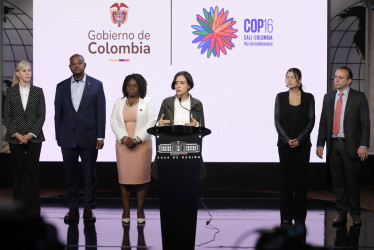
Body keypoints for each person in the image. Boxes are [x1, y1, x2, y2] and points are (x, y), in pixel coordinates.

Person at [55, 54, 106, 223]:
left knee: (89, 174)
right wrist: (58, 136)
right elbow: (58, 114)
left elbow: (101, 112)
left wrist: (100, 136)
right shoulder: (61, 86)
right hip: (67, 138)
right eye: (73, 64)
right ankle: (72, 209)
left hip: (90, 137)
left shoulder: (97, 85)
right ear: (69, 67)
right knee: (70, 175)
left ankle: (89, 209)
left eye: (79, 63)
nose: (76, 66)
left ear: (85, 65)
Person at [316, 66, 370, 226]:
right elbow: (323, 122)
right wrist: (320, 144)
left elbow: (365, 123)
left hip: (351, 146)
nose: (336, 80)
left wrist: (363, 145)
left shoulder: (359, 97)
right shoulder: (328, 97)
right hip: (333, 145)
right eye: (335, 77)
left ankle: (355, 214)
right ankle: (341, 212)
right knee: (337, 182)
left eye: (340, 77)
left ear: (349, 80)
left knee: (352, 182)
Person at [110, 73, 156, 224]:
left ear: (141, 87)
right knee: (125, 179)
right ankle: (126, 210)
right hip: (123, 145)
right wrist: (124, 138)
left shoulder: (147, 102)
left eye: (135, 85)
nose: (131, 88)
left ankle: (140, 209)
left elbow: (151, 122)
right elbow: (113, 122)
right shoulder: (119, 102)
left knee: (142, 179)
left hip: (142, 145)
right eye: (128, 85)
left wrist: (136, 139)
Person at [3, 60, 46, 217]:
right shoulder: (11, 92)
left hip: (34, 139)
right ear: (18, 73)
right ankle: (19, 210)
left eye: (29, 70)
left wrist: (29, 135)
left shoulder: (39, 91)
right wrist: (16, 134)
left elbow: (41, 116)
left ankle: (34, 211)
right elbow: (6, 116)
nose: (28, 73)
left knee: (33, 173)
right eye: (24, 70)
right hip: (15, 139)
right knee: (19, 173)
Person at [274, 68, 315, 226]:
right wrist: (287, 139)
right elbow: (277, 121)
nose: (289, 80)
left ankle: (299, 216)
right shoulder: (280, 97)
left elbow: (311, 121)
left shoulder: (309, 98)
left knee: (301, 182)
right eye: (287, 77)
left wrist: (299, 139)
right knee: (286, 182)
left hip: (303, 145)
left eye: (292, 77)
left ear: (300, 80)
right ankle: (285, 215)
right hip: (284, 145)